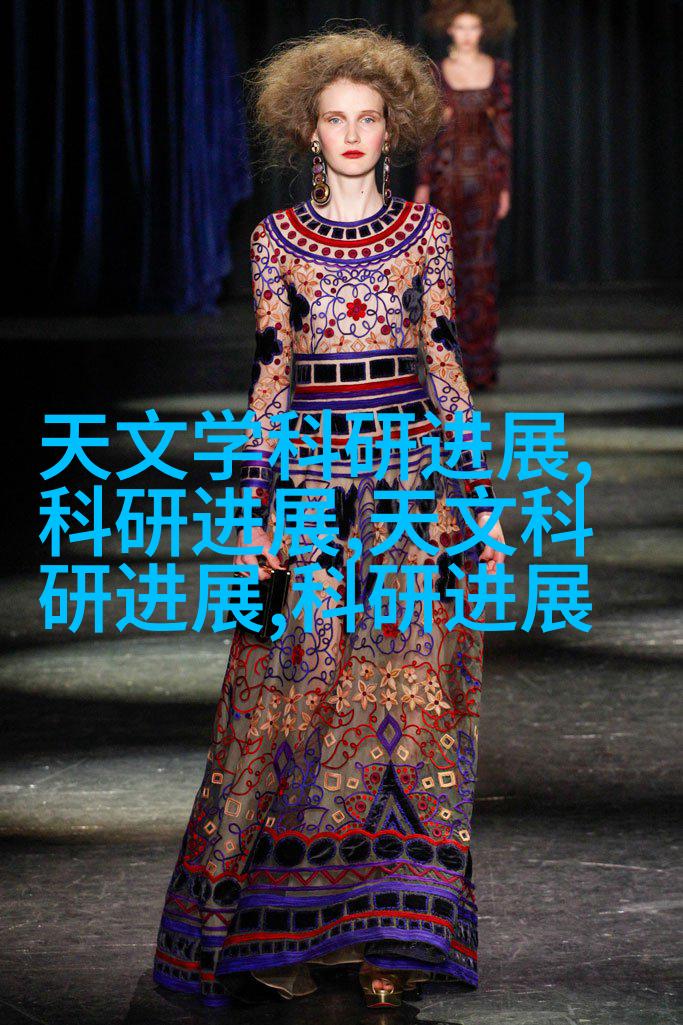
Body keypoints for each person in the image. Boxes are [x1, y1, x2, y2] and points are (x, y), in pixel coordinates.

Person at [152, 25, 506, 1011]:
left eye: (367, 118)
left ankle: (388, 932)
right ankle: (282, 921)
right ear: (308, 132)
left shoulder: (425, 232)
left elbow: (444, 367)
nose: (351, 133)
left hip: (405, 487)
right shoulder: (274, 240)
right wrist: (253, 513)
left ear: (391, 129)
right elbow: (270, 379)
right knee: (291, 703)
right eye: (334, 119)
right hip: (309, 484)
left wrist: (476, 503)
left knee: (406, 707)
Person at [415, 1, 515, 391]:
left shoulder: (498, 70)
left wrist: (504, 186)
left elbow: (503, 136)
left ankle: (480, 362)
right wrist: (423, 184)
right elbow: (428, 134)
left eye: (474, 27)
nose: (468, 34)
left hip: (484, 182)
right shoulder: (436, 73)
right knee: (443, 269)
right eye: (461, 27)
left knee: (481, 270)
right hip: (446, 181)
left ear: (483, 29)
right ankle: (446, 364)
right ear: (449, 29)